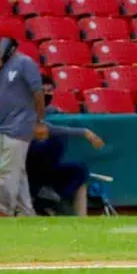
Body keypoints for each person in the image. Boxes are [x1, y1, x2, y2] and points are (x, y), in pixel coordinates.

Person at [0, 26, 47, 217]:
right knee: (17, 172)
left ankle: (4, 209)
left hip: (20, 124)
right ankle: (27, 212)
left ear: (6, 43)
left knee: (8, 171)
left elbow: (38, 93)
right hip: (5, 124)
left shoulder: (25, 63)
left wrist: (40, 122)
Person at [27, 82, 106, 217]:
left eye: (49, 91)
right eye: (43, 91)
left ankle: (61, 201)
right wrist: (85, 132)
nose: (46, 94)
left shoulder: (49, 110)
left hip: (50, 169)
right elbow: (49, 129)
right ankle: (42, 196)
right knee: (55, 141)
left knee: (79, 169)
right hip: (29, 166)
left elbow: (50, 113)